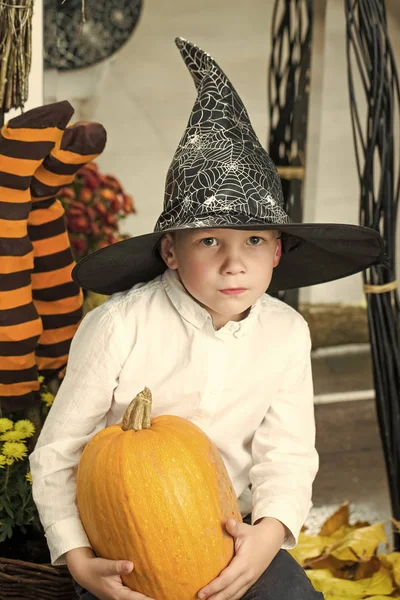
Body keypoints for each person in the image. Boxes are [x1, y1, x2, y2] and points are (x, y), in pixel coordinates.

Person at [29, 38, 384, 600]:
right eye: (210, 239)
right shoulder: (121, 326)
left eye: (254, 239)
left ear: (277, 252)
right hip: (124, 549)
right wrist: (78, 560)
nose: (233, 261)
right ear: (170, 251)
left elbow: (287, 452)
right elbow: (58, 454)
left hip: (237, 535)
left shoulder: (286, 333)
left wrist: (267, 537)